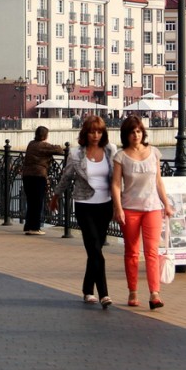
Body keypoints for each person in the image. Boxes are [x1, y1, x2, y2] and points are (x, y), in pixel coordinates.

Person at [50, 115, 115, 309]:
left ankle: (87, 289)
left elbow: (118, 177)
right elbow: (66, 176)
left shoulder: (110, 150)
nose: (95, 135)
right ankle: (104, 293)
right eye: (92, 131)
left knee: (95, 249)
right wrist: (56, 195)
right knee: (94, 246)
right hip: (84, 204)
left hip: (105, 204)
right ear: (85, 133)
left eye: (99, 131)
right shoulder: (77, 154)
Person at [111, 115, 172, 311]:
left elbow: (159, 181)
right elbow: (116, 184)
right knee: (132, 252)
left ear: (143, 133)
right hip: (130, 209)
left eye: (138, 131)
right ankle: (133, 291)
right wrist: (118, 208)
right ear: (126, 135)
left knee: (152, 252)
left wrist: (166, 204)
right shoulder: (121, 156)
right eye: (131, 132)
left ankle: (155, 293)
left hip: (152, 208)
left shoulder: (154, 153)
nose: (136, 135)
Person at [21, 126, 64, 235]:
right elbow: (59, 149)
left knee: (31, 201)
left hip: (26, 175)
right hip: (38, 176)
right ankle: (35, 228)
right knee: (38, 202)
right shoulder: (43, 145)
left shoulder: (31, 143)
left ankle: (28, 225)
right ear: (45, 135)